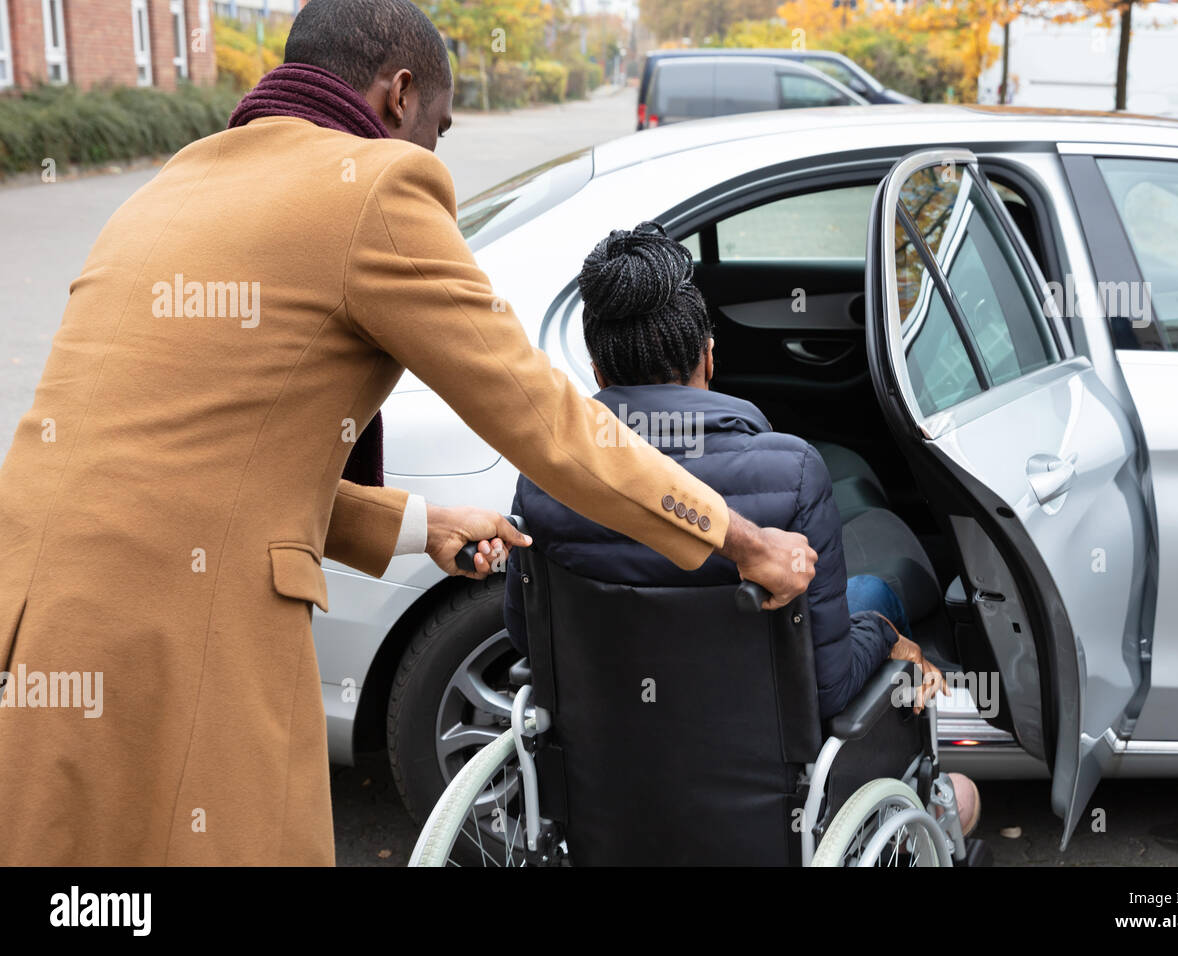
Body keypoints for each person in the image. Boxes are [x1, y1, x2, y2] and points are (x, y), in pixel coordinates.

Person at [0, 1, 816, 866]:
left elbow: (184, 460)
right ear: (399, 95)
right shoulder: (375, 186)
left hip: (43, 608)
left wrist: (420, 526)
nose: (435, 150)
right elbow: (548, 420)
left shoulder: (176, 183)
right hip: (175, 629)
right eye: (440, 126)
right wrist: (739, 536)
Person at [504, 221, 981, 835]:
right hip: (765, 796)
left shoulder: (543, 475)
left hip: (611, 787)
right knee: (876, 604)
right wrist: (887, 637)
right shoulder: (792, 470)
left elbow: (527, 636)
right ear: (707, 354)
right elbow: (830, 687)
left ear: (598, 370)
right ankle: (934, 785)